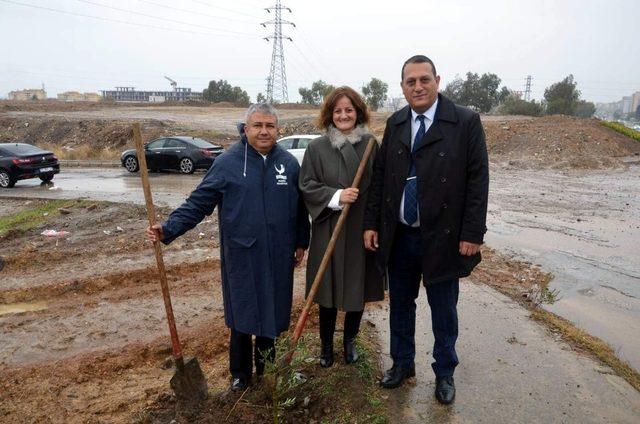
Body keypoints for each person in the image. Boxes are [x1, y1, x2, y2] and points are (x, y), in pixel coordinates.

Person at [146, 103, 310, 391]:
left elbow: (299, 207)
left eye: (269, 126)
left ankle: (267, 369)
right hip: (242, 253)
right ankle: (240, 375)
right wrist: (169, 228)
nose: (264, 131)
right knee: (244, 314)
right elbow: (198, 203)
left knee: (271, 311)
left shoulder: (288, 163)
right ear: (245, 129)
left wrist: (300, 242)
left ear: (277, 129)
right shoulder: (228, 163)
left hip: (278, 253)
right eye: (257, 125)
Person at [363, 55, 489, 404]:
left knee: (443, 309)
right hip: (401, 235)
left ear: (437, 80)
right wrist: (372, 223)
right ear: (402, 87)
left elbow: (478, 180)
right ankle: (402, 364)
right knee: (401, 304)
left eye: (424, 80)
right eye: (410, 82)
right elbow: (381, 178)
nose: (417, 87)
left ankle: (445, 372)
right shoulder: (396, 123)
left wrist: (472, 233)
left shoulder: (464, 121)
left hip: (443, 237)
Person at [299, 86, 384, 367]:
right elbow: (307, 186)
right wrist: (336, 196)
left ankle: (349, 341)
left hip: (361, 228)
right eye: (338, 110)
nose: (344, 115)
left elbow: (379, 188)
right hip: (329, 227)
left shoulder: (371, 144)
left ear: (358, 112)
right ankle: (326, 346)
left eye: (349, 110)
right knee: (327, 290)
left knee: (356, 289)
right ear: (329, 114)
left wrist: (373, 225)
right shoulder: (316, 148)